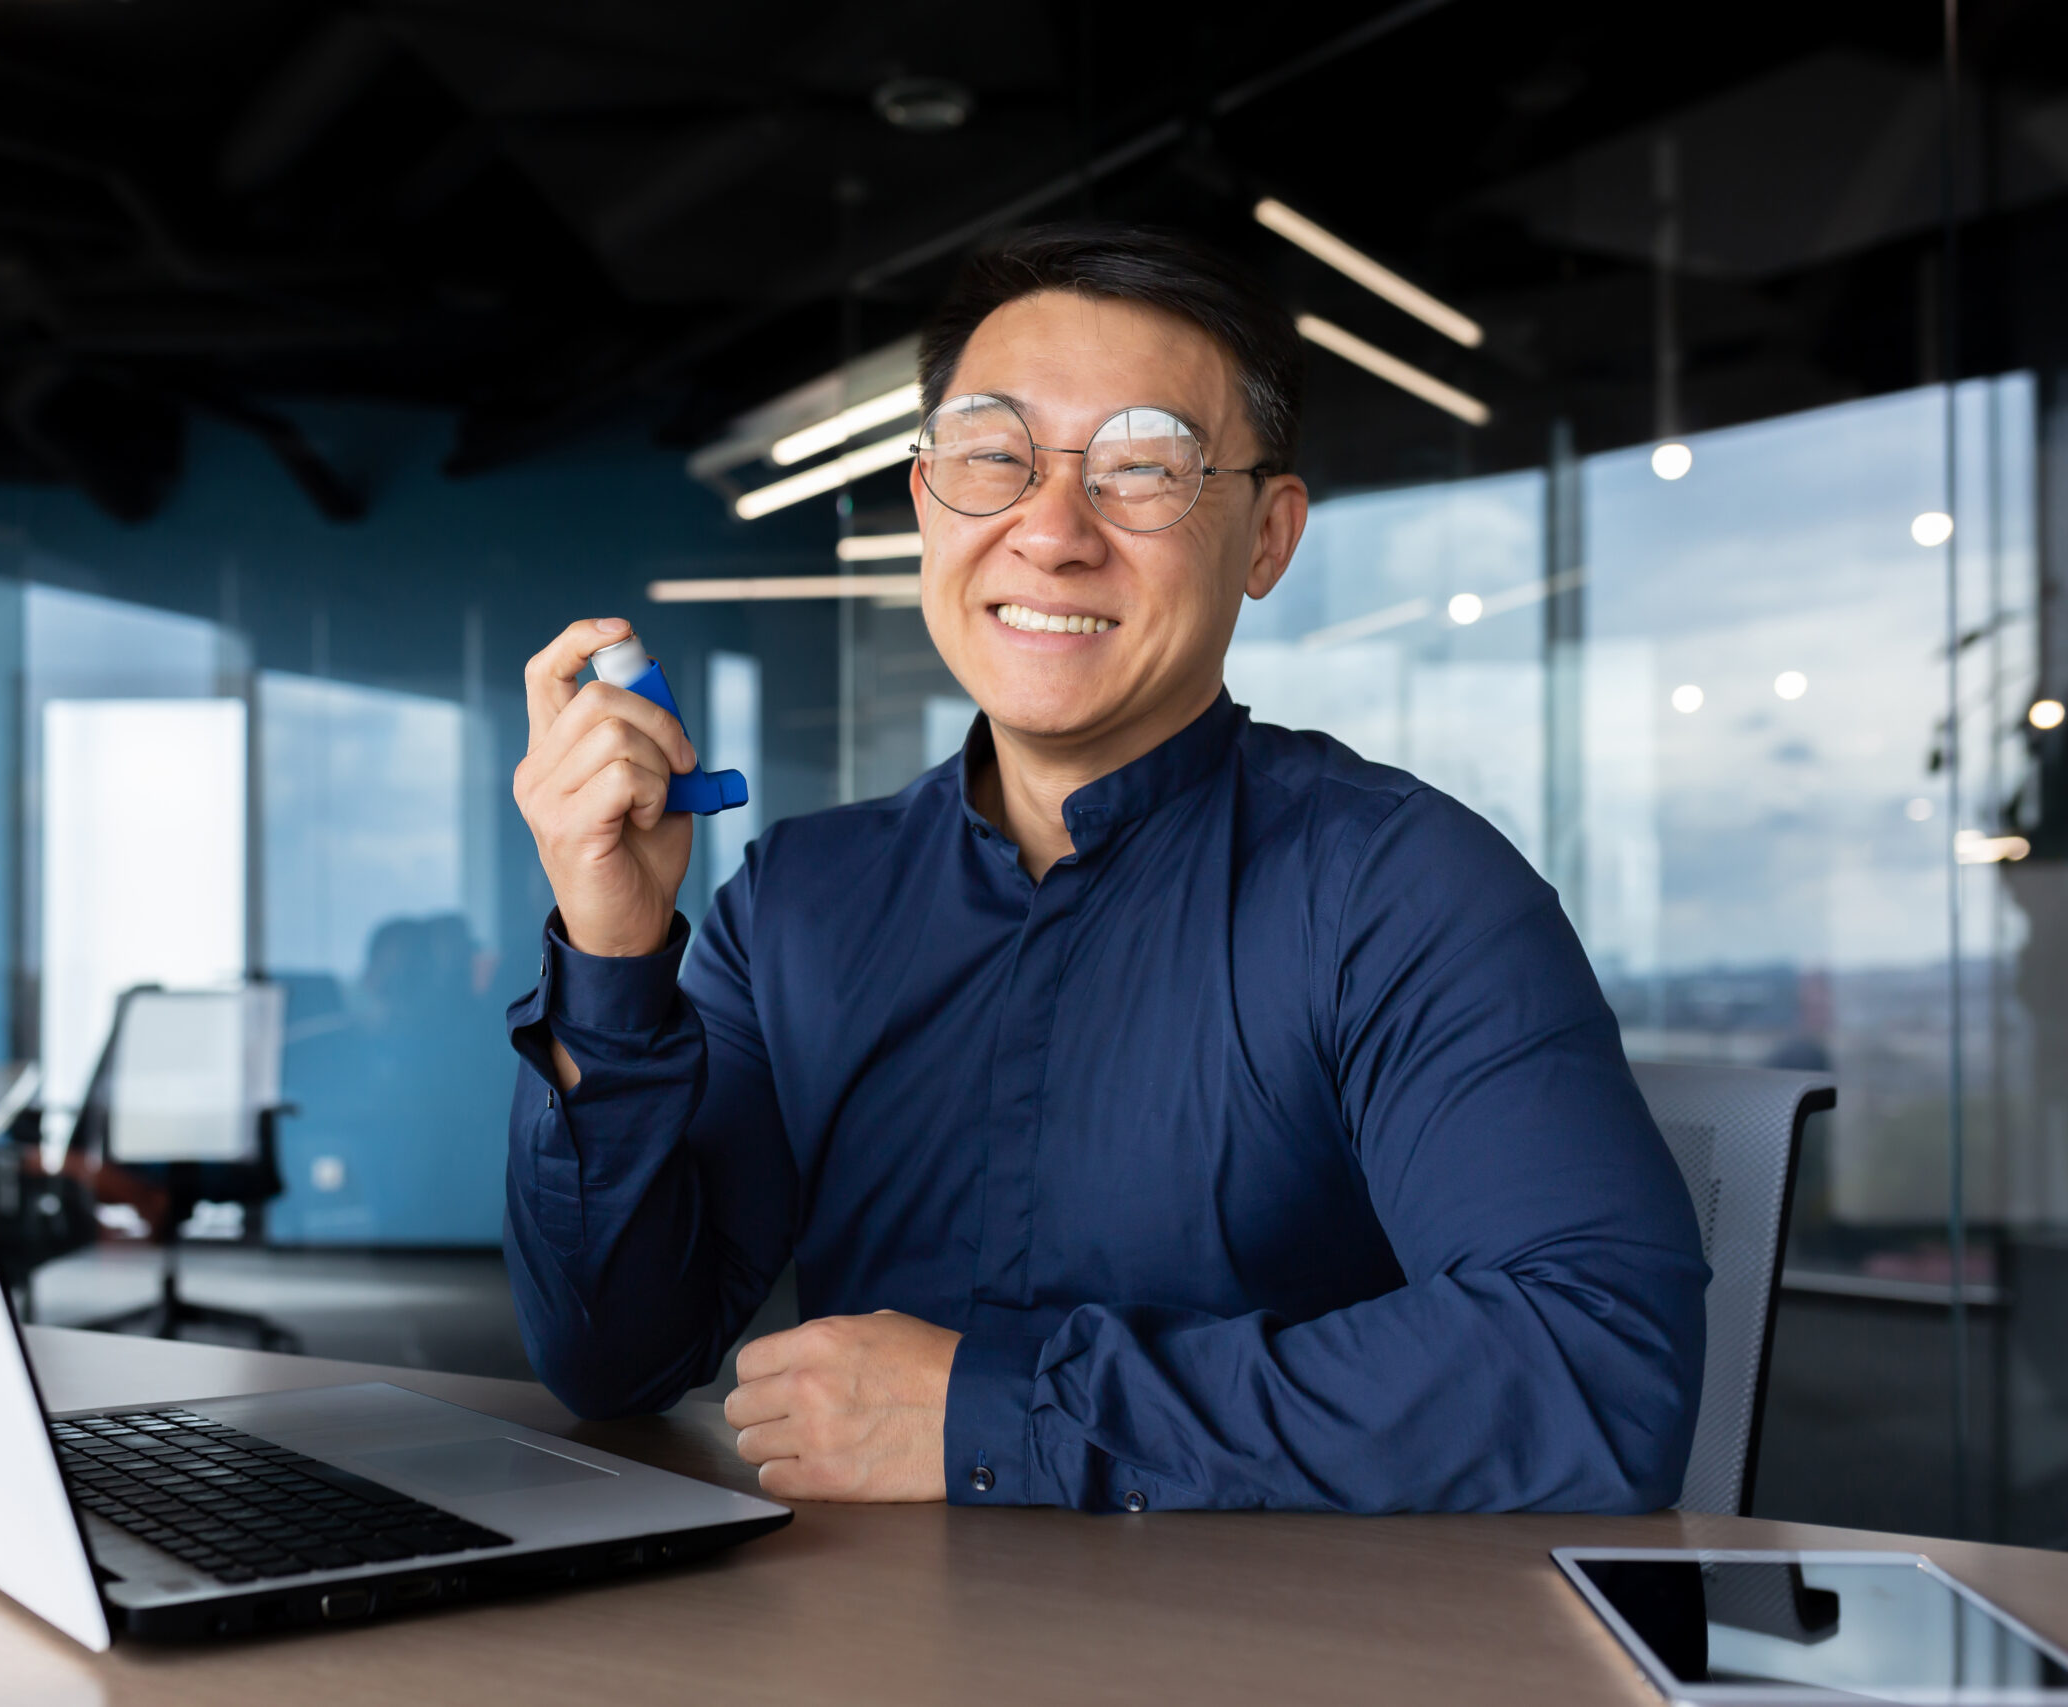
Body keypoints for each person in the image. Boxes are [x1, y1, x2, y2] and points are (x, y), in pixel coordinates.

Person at [503, 225, 1708, 1514]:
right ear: (925, 503)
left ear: (1267, 538)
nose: (1053, 531)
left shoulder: (1400, 886)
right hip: (866, 1642)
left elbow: (1596, 1369)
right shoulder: (799, 900)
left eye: (1142, 469)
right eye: (993, 458)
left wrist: (999, 1412)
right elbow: (614, 1359)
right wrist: (616, 956)